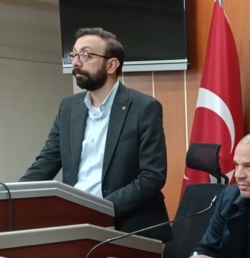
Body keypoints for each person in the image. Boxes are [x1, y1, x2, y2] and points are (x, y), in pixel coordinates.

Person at [20, 28, 171, 242]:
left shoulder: (143, 107)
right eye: (74, 54)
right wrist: (12, 197)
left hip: (128, 227)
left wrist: (99, 210)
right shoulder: (69, 107)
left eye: (85, 55)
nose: (75, 62)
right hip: (76, 223)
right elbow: (46, 161)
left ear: (111, 65)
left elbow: (152, 177)